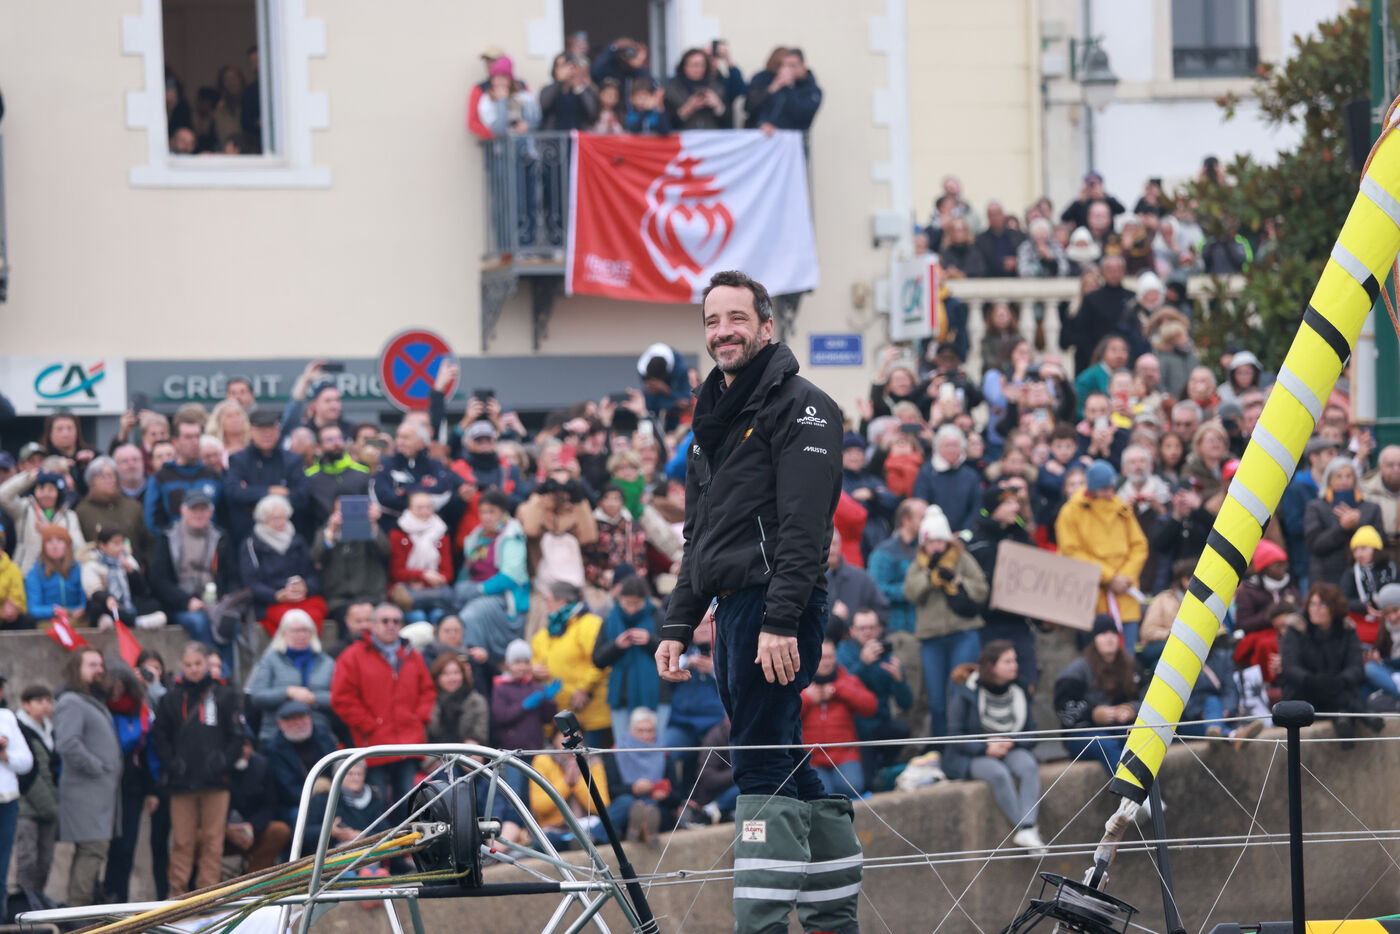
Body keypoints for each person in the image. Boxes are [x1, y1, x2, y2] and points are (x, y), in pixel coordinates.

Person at [653, 270, 855, 932]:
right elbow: (699, 538)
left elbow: (805, 528)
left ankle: (763, 923)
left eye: (737, 318)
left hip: (776, 607)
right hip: (734, 609)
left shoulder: (803, 405)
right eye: (712, 321)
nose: (723, 332)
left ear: (767, 326)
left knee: (760, 757)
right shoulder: (711, 419)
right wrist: (677, 623)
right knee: (780, 752)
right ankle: (832, 920)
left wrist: (780, 620)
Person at [151, 643, 244, 896]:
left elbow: (237, 736)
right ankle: (178, 894)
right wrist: (172, 763)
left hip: (216, 781)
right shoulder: (170, 698)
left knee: (214, 841)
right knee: (182, 841)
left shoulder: (225, 695)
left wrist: (223, 761)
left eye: (198, 664)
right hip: (182, 782)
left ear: (207, 664)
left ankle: (208, 894)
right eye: (188, 665)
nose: (193, 669)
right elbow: (159, 736)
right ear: (182, 666)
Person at [329, 603, 435, 818]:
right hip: (373, 744)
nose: (391, 625)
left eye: (396, 621)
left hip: (407, 743)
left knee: (408, 803)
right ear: (373, 625)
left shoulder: (413, 655)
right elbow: (342, 698)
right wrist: (369, 724)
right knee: (376, 808)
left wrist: (418, 719)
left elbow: (427, 691)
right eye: (385, 620)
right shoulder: (352, 655)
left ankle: (406, 841)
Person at [944, 641, 1045, 853]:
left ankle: (1027, 828)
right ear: (991, 666)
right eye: (1007, 661)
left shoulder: (1020, 689)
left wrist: (1012, 741)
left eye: (1015, 660)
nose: (1014, 665)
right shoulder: (966, 692)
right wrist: (985, 747)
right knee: (998, 774)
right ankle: (1026, 829)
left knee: (1028, 765)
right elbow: (954, 735)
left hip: (1010, 748)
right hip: (973, 754)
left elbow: (1032, 732)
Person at [904, 505, 988, 737]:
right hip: (931, 639)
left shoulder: (962, 559)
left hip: (963, 632)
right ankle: (942, 743)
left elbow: (981, 590)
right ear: (924, 544)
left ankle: (966, 740)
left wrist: (957, 580)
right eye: (931, 542)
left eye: (940, 541)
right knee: (937, 699)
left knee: (961, 691)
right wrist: (929, 576)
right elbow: (911, 593)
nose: (936, 547)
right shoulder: (918, 565)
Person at [54, 648, 123, 907]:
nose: (100, 670)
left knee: (92, 851)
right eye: (92, 665)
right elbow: (68, 744)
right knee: (93, 849)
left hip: (98, 796)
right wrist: (97, 767)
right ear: (76, 670)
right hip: (85, 796)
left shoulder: (89, 701)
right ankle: (78, 913)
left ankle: (78, 911)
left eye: (100, 665)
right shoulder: (71, 702)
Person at [1057, 460, 1148, 651]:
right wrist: (1109, 577)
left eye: (1111, 488)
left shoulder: (1121, 507)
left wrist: (1125, 577)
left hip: (1125, 595)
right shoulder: (1071, 512)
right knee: (1096, 660)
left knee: (1126, 658)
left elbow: (1139, 545)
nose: (1109, 493)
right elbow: (1070, 551)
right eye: (1104, 489)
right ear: (1093, 488)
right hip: (1092, 600)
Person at [148, 491, 237, 669]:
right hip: (181, 604)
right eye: (194, 509)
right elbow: (158, 580)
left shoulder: (221, 537)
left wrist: (229, 596)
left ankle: (225, 673)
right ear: (183, 511)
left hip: (216, 602)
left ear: (211, 512)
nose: (199, 514)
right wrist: (186, 601)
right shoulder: (168, 537)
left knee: (229, 623)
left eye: (203, 509)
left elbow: (233, 575)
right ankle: (216, 671)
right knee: (199, 622)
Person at [967, 479, 1041, 688]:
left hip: (1019, 624)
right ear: (994, 508)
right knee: (992, 681)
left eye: (1016, 502)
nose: (1015, 508)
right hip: (987, 624)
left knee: (1027, 681)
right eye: (1008, 503)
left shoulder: (1023, 539)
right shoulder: (975, 542)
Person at [1054, 615, 1141, 776]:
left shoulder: (1131, 666)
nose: (1109, 638)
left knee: (1138, 741)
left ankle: (1147, 789)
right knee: (1105, 744)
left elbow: (1147, 698)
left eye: (1113, 633)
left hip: (1119, 728)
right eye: (1103, 633)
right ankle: (1132, 789)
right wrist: (1093, 714)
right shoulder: (1076, 671)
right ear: (1093, 639)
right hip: (1081, 735)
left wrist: (1131, 709)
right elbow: (1064, 709)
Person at [1279, 584, 1366, 744]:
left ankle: (1345, 720)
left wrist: (1341, 680)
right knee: (1335, 695)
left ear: (1334, 607)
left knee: (1342, 689)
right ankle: (1350, 716)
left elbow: (1356, 666)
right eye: (1312, 604)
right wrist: (1312, 680)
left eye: (1322, 605)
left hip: (1337, 686)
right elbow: (1290, 667)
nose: (1315, 609)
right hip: (1305, 689)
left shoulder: (1346, 629)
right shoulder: (1297, 628)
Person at [836, 609, 911, 789]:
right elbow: (841, 689)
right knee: (866, 784)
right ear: (852, 631)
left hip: (879, 724)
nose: (867, 632)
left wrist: (899, 681)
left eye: (871, 627)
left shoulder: (886, 654)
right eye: (862, 628)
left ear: (879, 630)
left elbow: (906, 703)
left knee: (901, 729)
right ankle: (873, 771)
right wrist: (863, 664)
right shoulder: (842, 653)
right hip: (854, 730)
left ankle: (884, 765)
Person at [454, 489, 531, 664]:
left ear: (502, 513)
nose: (486, 517)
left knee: (470, 616)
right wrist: (461, 587)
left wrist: (481, 589)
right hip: (474, 589)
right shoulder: (477, 535)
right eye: (482, 512)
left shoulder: (512, 534)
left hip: (503, 597)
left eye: (491, 512)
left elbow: (510, 576)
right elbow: (466, 569)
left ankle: (474, 663)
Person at [101, 666, 156, 904]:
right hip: (103, 786)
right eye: (111, 686)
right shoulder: (99, 707)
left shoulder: (140, 711)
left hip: (131, 786)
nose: (115, 691)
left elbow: (148, 753)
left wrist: (152, 790)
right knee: (100, 847)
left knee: (126, 846)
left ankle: (120, 898)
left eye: (120, 686)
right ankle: (102, 896)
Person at [532, 581, 611, 743]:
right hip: (561, 715)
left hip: (590, 711)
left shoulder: (589, 624)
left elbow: (600, 661)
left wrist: (584, 688)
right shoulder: (549, 630)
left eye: (549, 600)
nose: (546, 605)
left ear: (562, 601)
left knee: (590, 757)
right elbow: (534, 658)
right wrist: (533, 670)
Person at [240, 493, 327, 636]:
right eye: (274, 518)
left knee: (315, 613)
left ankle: (310, 649)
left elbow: (312, 574)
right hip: (270, 601)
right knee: (292, 622)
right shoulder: (251, 545)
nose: (280, 522)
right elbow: (251, 583)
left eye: (283, 517)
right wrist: (276, 595)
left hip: (300, 598)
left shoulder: (298, 540)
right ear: (262, 520)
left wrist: (305, 587)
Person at [245, 609, 336, 744]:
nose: (301, 635)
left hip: (319, 734)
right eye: (295, 631)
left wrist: (313, 698)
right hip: (276, 734)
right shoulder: (270, 659)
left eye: (305, 630)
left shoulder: (327, 662)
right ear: (283, 633)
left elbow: (339, 698)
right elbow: (257, 696)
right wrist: (288, 692)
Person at [800, 639, 877, 795]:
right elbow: (784, 716)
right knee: (820, 792)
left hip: (845, 756)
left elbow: (871, 707)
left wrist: (838, 690)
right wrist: (807, 699)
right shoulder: (800, 683)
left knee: (851, 787)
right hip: (811, 757)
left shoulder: (847, 679)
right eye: (822, 657)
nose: (826, 662)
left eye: (830, 657)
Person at [592, 576, 663, 741]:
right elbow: (598, 660)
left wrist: (650, 640)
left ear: (645, 600)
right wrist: (616, 646)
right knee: (624, 747)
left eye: (636, 604)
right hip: (621, 697)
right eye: (626, 603)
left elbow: (674, 652)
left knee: (655, 746)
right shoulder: (610, 619)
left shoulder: (658, 616)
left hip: (655, 695)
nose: (631, 609)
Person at [1305, 459, 1384, 592]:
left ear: (1355, 479)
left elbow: (1380, 542)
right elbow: (1314, 545)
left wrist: (1358, 524)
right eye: (1339, 476)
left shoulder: (1371, 508)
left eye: (1349, 476)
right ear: (1329, 480)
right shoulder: (1315, 507)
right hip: (1326, 577)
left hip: (1365, 577)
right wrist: (1342, 527)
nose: (1344, 480)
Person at [14, 683, 58, 908]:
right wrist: (49, 805)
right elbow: (27, 774)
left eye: (48, 701)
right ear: (26, 704)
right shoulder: (19, 728)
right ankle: (24, 905)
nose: (45, 705)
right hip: (27, 807)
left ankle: (37, 903)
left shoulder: (49, 730)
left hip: (49, 807)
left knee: (45, 860)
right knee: (27, 859)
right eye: (39, 701)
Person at [602, 707, 674, 843]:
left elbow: (676, 795)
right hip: (628, 806)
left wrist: (663, 795)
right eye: (640, 731)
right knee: (626, 803)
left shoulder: (664, 754)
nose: (645, 736)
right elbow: (611, 791)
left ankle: (642, 829)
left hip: (656, 805)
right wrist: (634, 789)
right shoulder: (615, 754)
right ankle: (642, 829)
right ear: (630, 731)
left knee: (653, 810)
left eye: (650, 731)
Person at [144, 411, 223, 533]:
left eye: (197, 436)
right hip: (173, 543)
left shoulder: (213, 475)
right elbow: (152, 523)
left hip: (210, 543)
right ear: (175, 442)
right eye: (188, 437)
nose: (194, 442)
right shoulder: (160, 478)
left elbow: (224, 517)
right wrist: (171, 540)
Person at [263, 700, 338, 826]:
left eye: (302, 717)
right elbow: (286, 788)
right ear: (281, 724)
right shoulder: (273, 749)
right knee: (301, 818)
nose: (299, 723)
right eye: (292, 719)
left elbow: (336, 766)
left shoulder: (323, 736)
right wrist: (313, 795)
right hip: (297, 802)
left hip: (331, 793)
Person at [0, 468, 86, 574]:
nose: (46, 494)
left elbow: (79, 546)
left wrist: (53, 531)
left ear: (58, 493)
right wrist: (27, 478)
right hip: (26, 572)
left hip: (60, 575)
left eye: (51, 489)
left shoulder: (69, 516)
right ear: (35, 490)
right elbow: (3, 495)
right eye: (41, 488)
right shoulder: (24, 509)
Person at [76, 456, 153, 567]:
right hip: (99, 570)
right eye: (103, 476)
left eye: (112, 475)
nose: (109, 480)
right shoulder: (82, 511)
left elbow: (148, 542)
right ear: (91, 481)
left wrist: (144, 565)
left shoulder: (133, 506)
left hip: (134, 569)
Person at [0, 674, 33, 922]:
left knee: (2, 864)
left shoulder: (7, 717)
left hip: (7, 800)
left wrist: (6, 755)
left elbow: (26, 762)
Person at [912, 425, 982, 533]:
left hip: (964, 534)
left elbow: (976, 507)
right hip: (933, 534)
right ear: (938, 448)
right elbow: (920, 504)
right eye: (947, 445)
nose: (951, 450)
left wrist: (964, 531)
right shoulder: (926, 473)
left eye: (955, 445)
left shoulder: (970, 475)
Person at [746, 47, 822, 132]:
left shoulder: (813, 91)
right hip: (769, 137)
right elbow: (759, 109)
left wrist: (789, 87)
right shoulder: (775, 84)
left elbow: (801, 115)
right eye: (784, 65)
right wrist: (763, 123)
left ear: (803, 67)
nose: (787, 70)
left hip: (793, 138)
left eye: (792, 66)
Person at [24, 526, 86, 628]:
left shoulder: (78, 568)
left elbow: (85, 598)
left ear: (67, 545)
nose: (54, 546)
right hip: (49, 622)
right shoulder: (35, 572)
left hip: (77, 619)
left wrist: (82, 609)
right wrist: (53, 610)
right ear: (44, 547)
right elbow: (33, 608)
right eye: (49, 541)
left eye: (60, 540)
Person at [427, 654, 489, 745]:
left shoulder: (476, 701)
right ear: (437, 677)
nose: (452, 678)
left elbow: (480, 734)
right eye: (445, 674)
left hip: (467, 751)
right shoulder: (429, 701)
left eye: (456, 673)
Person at [665, 48, 726, 130]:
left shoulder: (717, 87)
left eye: (702, 65)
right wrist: (687, 109)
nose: (698, 69)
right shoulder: (672, 89)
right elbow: (667, 123)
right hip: (684, 135)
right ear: (684, 66)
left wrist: (718, 105)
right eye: (694, 65)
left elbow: (727, 122)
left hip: (711, 136)